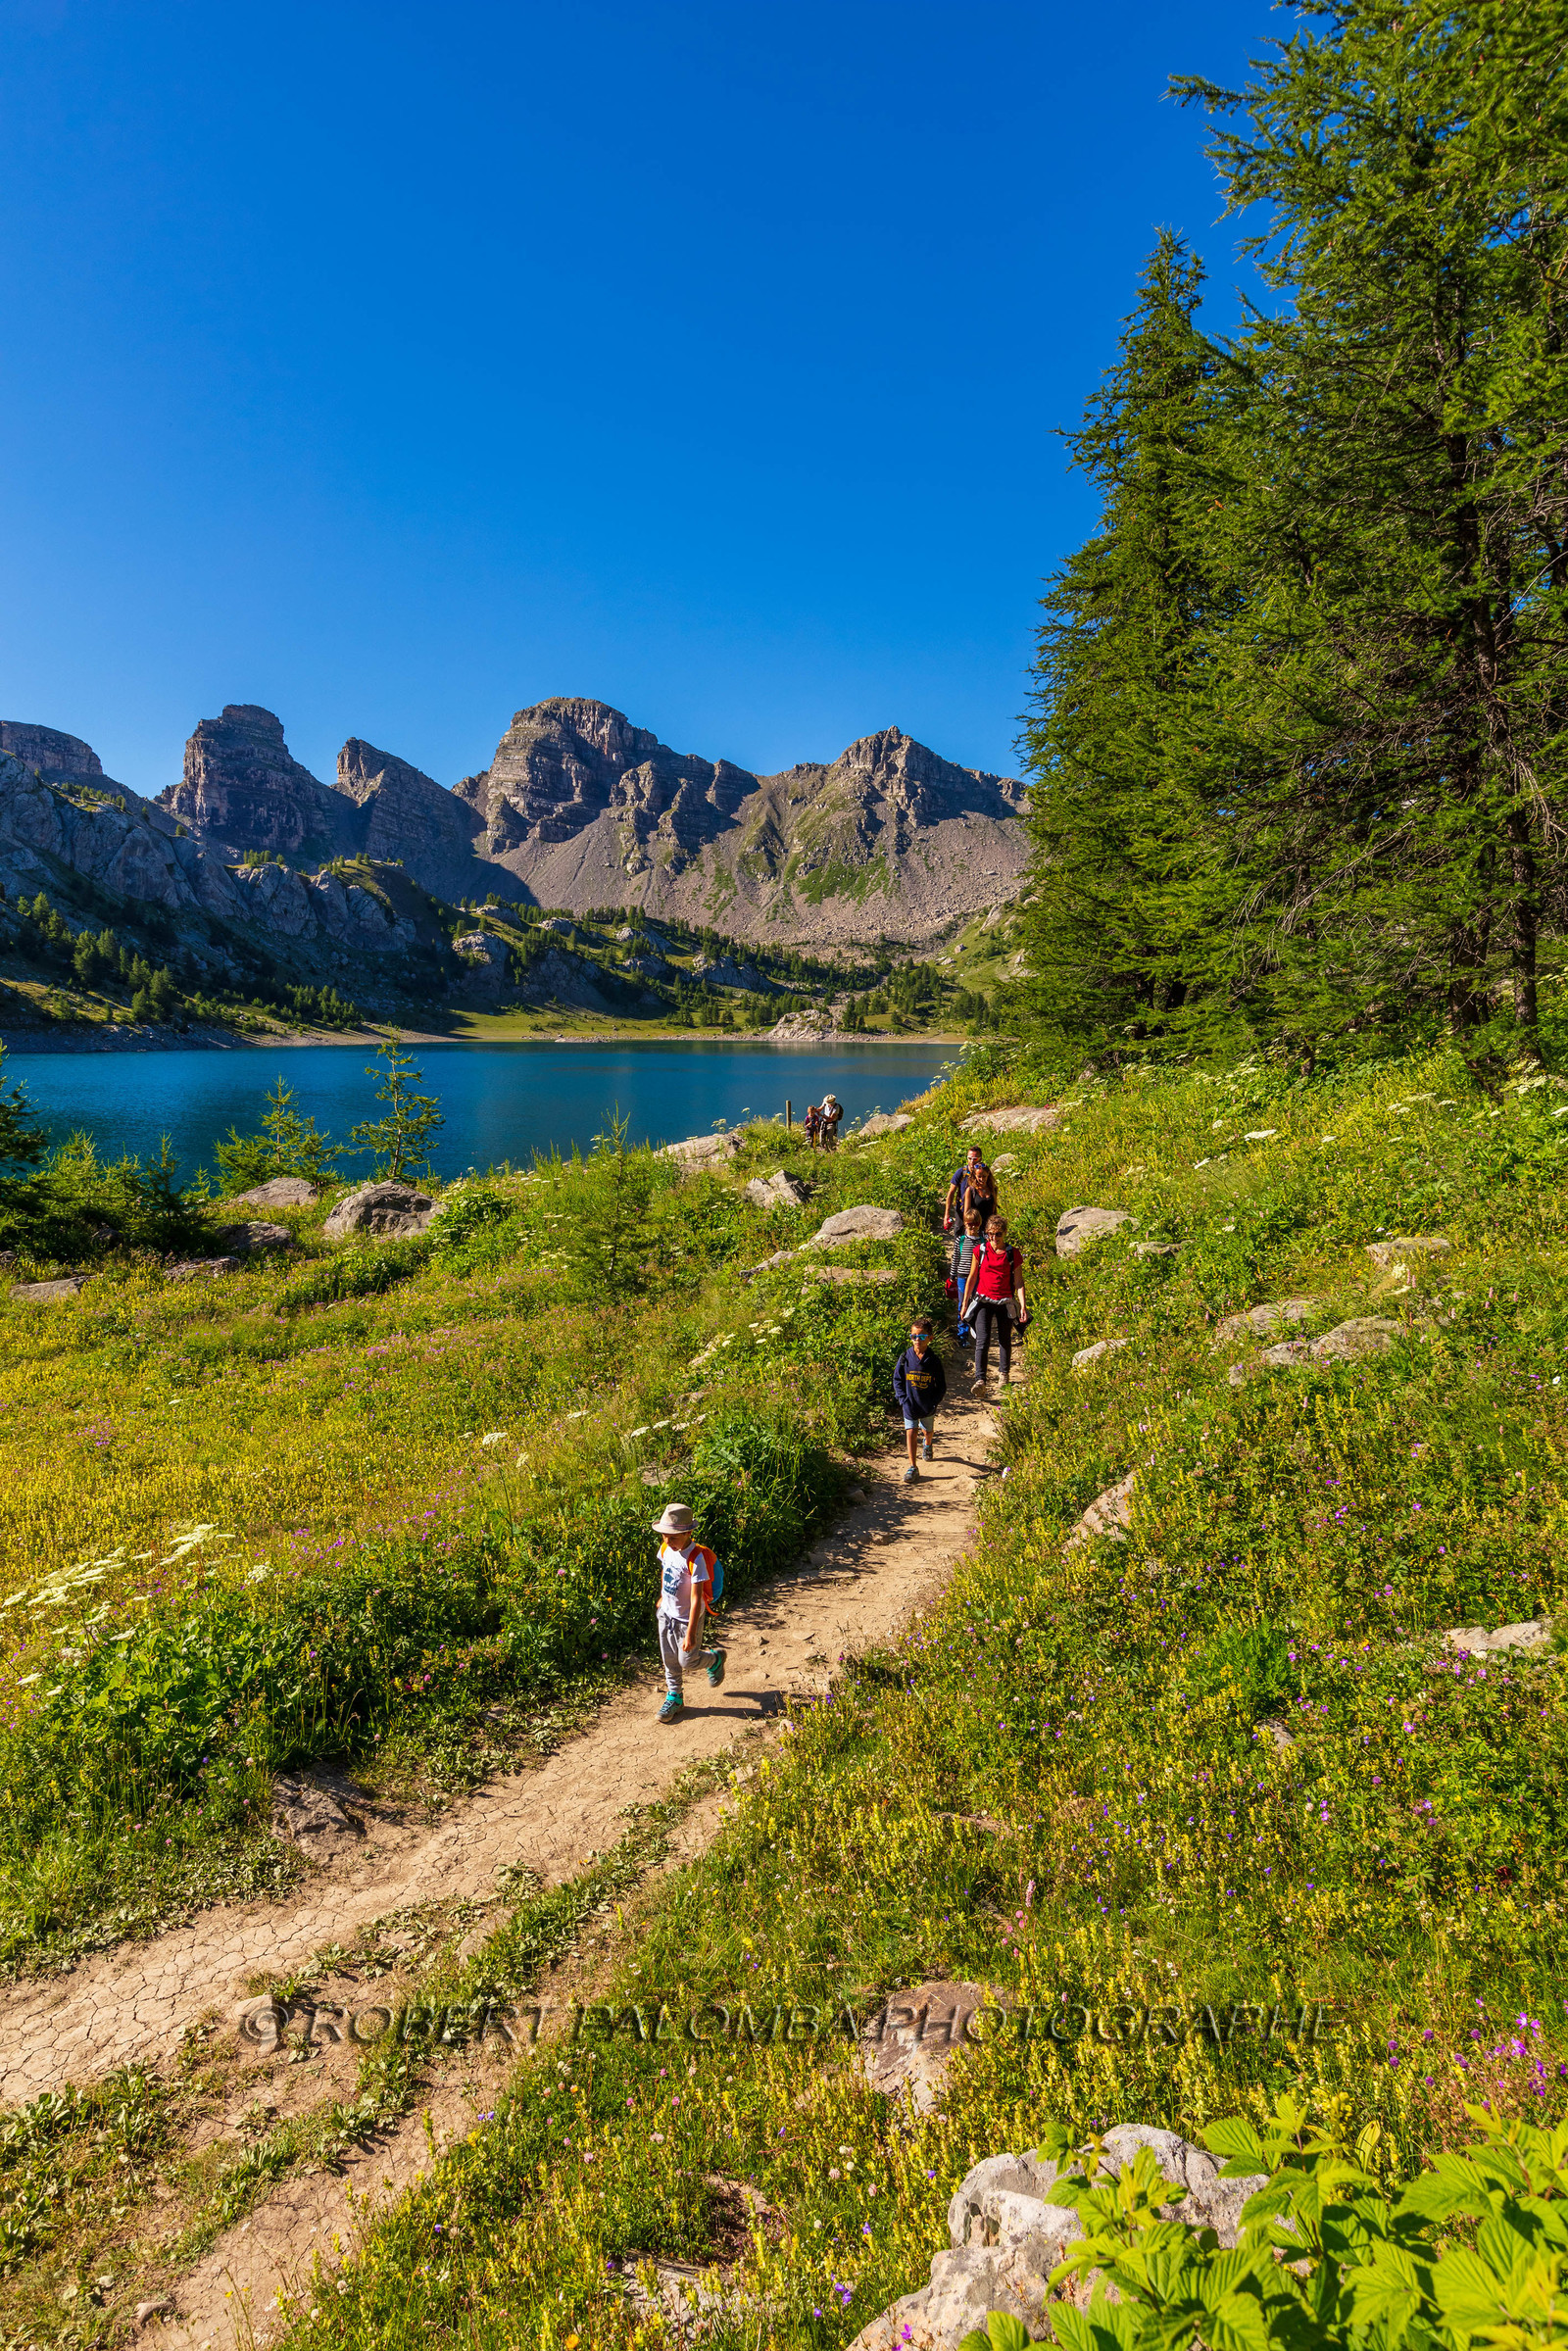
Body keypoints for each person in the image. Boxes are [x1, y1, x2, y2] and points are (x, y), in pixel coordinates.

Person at [650, 1500, 726, 1724]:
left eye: (673, 1536)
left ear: (688, 1533)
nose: (667, 1540)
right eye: (664, 1535)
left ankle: (714, 1660)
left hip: (686, 1619)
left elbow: (695, 1598)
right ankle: (675, 1697)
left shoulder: (696, 1558)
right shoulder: (665, 1548)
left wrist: (691, 1632)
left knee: (688, 1661)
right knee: (670, 1659)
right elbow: (666, 1571)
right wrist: (664, 1595)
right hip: (666, 1614)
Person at [960, 1212, 1028, 1393]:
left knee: (1005, 1340)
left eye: (998, 1233)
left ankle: (1003, 1376)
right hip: (983, 1300)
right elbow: (972, 1277)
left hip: (1005, 1301)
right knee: (983, 1340)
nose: (994, 1237)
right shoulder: (980, 1251)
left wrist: (1023, 1306)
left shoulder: (1012, 1254)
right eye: (990, 1233)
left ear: (1004, 1233)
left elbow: (1019, 1282)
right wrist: (965, 1303)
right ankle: (980, 1380)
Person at [893, 1315, 947, 1482]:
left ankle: (928, 1444)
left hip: (927, 1405)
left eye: (921, 1336)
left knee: (927, 1430)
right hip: (909, 1404)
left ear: (930, 1338)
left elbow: (941, 1386)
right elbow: (897, 1380)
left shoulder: (934, 1361)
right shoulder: (905, 1358)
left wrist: (933, 1402)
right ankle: (913, 1467)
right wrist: (903, 1399)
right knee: (911, 1432)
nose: (917, 1340)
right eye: (914, 1336)